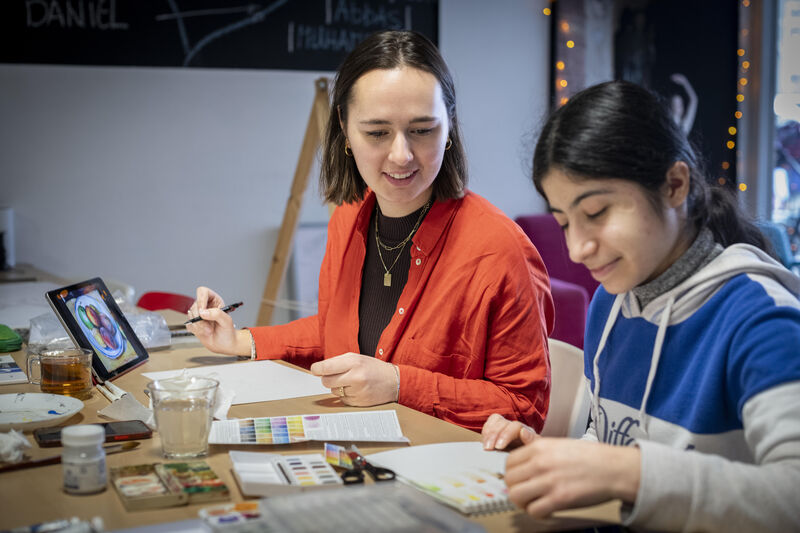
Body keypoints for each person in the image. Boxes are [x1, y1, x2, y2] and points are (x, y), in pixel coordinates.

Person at [186, 30, 554, 433]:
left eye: (423, 129)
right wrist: (238, 341)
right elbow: (338, 332)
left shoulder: (499, 249)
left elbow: (523, 409)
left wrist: (399, 384)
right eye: (377, 133)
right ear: (344, 127)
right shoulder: (349, 217)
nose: (401, 155)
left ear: (449, 125)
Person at [482, 80, 800, 531]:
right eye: (564, 222)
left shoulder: (761, 319)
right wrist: (555, 461)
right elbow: (608, 437)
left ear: (674, 185)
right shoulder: (610, 305)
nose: (577, 249)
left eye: (596, 213)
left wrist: (627, 472)